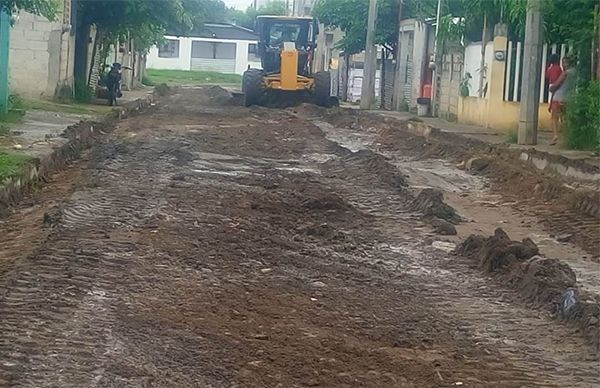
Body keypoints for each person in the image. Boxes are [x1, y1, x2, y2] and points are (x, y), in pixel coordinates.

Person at [549, 56, 576, 145]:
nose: (564, 65)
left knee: (554, 117)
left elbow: (557, 85)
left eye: (565, 63)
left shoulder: (565, 73)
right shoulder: (575, 73)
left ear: (568, 63)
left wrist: (551, 88)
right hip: (569, 98)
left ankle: (555, 135)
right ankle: (567, 137)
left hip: (558, 97)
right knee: (565, 118)